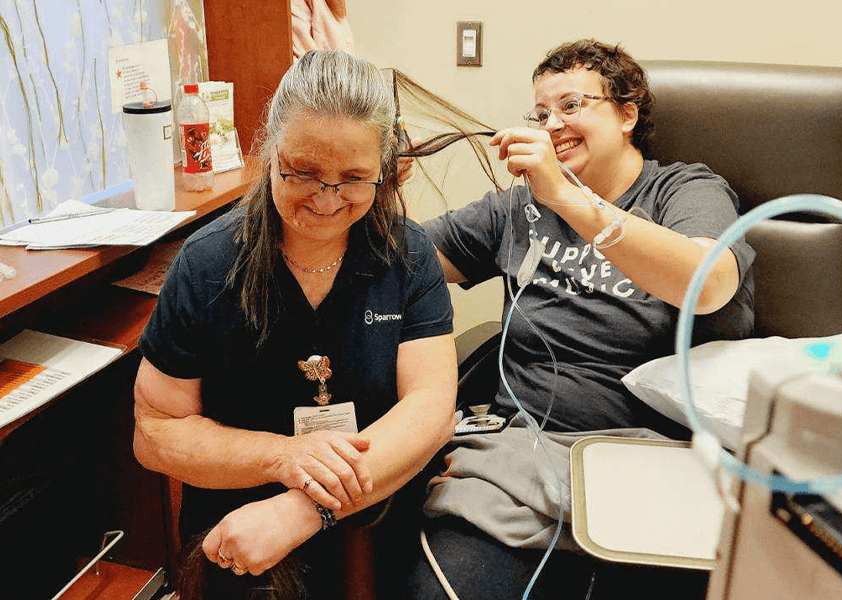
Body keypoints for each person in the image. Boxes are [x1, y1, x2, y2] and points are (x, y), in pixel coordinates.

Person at [409, 39, 755, 599]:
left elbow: (709, 284)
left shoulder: (685, 190)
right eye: (541, 114)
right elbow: (402, 261)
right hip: (522, 459)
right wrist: (371, 187)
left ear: (626, 115)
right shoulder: (519, 207)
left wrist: (570, 201)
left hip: (649, 464)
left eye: (571, 106)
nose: (552, 125)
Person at [133, 50, 457, 600]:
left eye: (354, 178)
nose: (327, 200)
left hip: (376, 513)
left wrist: (307, 508)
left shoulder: (405, 255)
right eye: (304, 172)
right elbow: (155, 432)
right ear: (269, 151)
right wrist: (282, 457)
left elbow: (431, 409)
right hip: (241, 526)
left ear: (382, 170)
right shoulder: (208, 265)